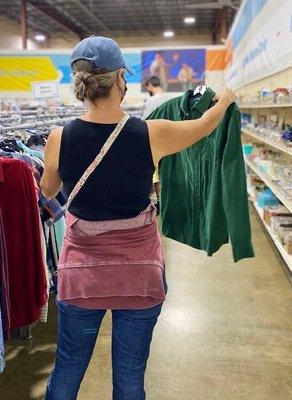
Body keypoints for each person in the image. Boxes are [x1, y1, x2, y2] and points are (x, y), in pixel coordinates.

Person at [41, 35, 235, 400]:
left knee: (67, 371)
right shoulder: (151, 133)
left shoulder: (58, 137)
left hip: (81, 277)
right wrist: (224, 99)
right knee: (130, 379)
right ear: (119, 81)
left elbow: (49, 191)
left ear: (80, 83)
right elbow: (206, 125)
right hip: (140, 274)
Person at [143, 76, 175, 211]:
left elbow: (146, 121)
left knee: (156, 173)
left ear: (150, 85)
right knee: (170, 171)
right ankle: (171, 200)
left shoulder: (151, 100)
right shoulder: (171, 99)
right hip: (172, 140)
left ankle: (161, 203)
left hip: (156, 141)